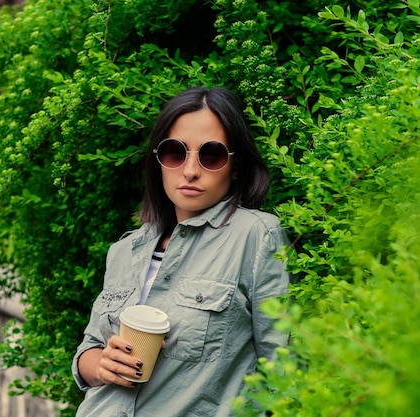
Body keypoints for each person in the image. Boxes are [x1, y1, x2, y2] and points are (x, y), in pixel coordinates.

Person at [71, 86, 291, 416]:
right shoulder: (125, 250)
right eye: (176, 152)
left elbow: (282, 370)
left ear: (235, 167)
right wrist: (102, 364)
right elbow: (88, 350)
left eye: (211, 154)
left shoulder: (256, 237)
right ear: (159, 160)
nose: (189, 170)